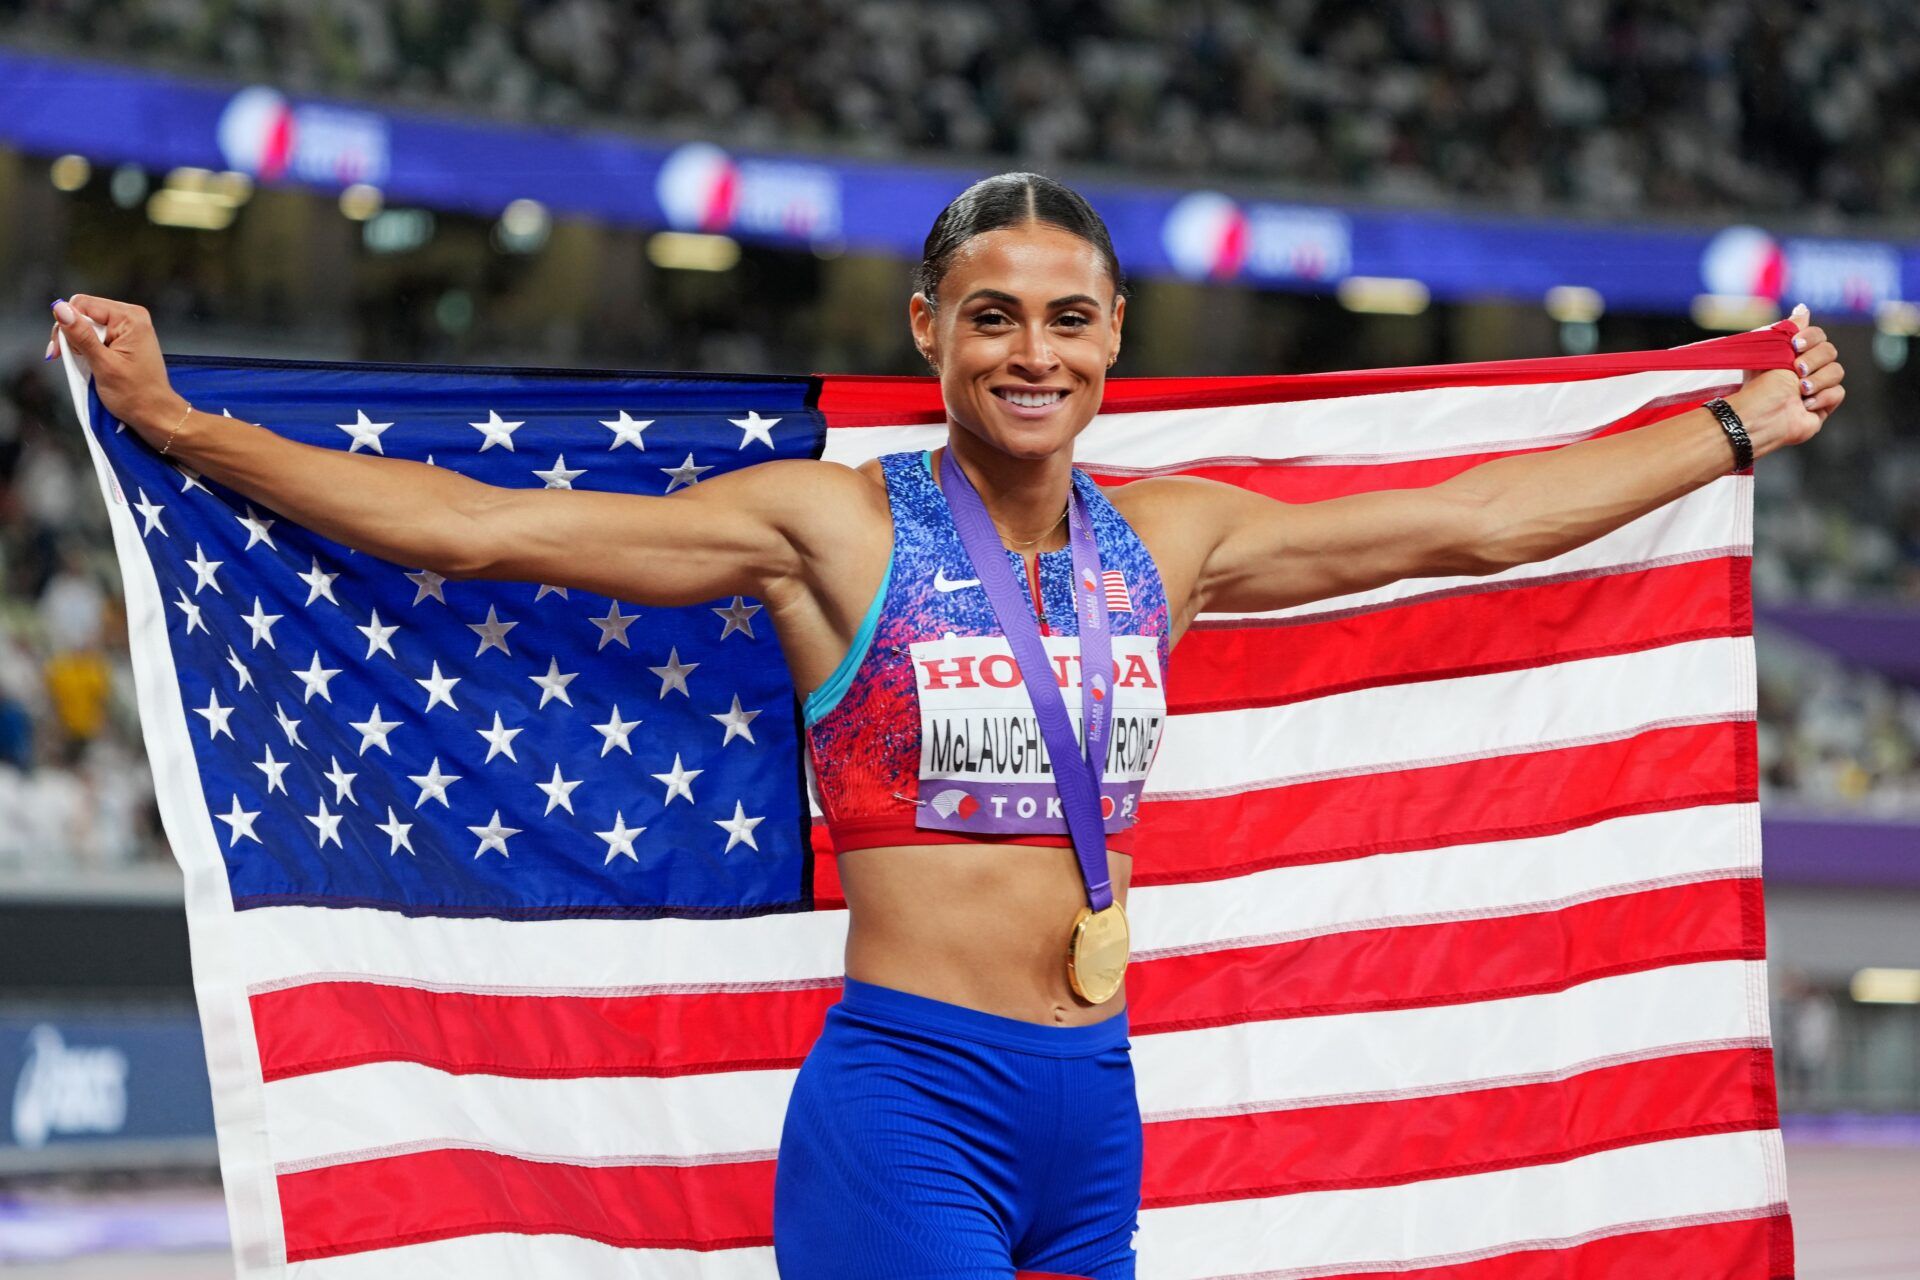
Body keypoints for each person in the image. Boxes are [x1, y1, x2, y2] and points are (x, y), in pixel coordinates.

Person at [46, 172, 1846, 1280]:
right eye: (994, 318)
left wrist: (1730, 433)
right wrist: (188, 427)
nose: (1033, 351)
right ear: (931, 330)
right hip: (911, 1099)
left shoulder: (1179, 538)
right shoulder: (833, 525)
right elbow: (488, 526)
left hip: (1095, 1104)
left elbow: (1474, 522)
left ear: (1116, 337)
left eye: (1069, 319)